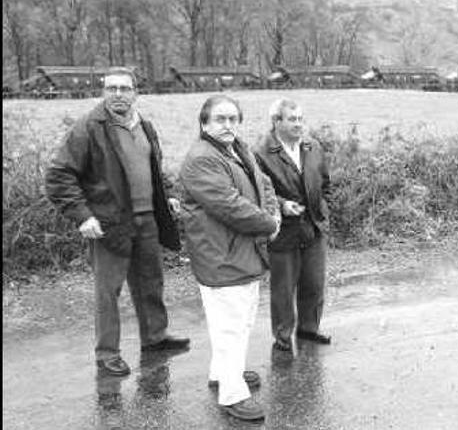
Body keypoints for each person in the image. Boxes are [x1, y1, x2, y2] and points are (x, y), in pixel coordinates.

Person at [45, 67, 190, 378]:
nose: (118, 94)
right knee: (107, 292)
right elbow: (58, 176)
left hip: (147, 220)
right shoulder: (89, 127)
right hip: (109, 223)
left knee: (151, 283)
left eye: (125, 88)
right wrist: (83, 216)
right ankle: (107, 355)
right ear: (103, 92)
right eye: (112, 88)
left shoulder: (145, 126)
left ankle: (155, 339)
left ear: (135, 92)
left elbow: (155, 170)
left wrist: (169, 196)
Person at [178, 95, 280, 421]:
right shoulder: (202, 159)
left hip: (241, 252)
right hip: (222, 257)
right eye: (220, 119)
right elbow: (229, 205)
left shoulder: (237, 147)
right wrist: (270, 224)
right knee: (231, 327)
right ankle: (232, 394)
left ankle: (223, 372)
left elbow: (264, 184)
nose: (228, 125)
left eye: (233, 119)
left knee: (239, 321)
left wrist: (274, 214)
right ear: (204, 123)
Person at [254, 99, 333, 351]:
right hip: (282, 230)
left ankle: (309, 329)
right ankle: (283, 336)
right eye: (292, 119)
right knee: (283, 288)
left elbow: (326, 184)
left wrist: (323, 212)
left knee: (314, 282)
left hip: (313, 226)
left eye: (301, 118)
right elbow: (257, 193)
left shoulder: (313, 147)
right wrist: (281, 205)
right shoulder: (260, 153)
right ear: (276, 121)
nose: (299, 124)